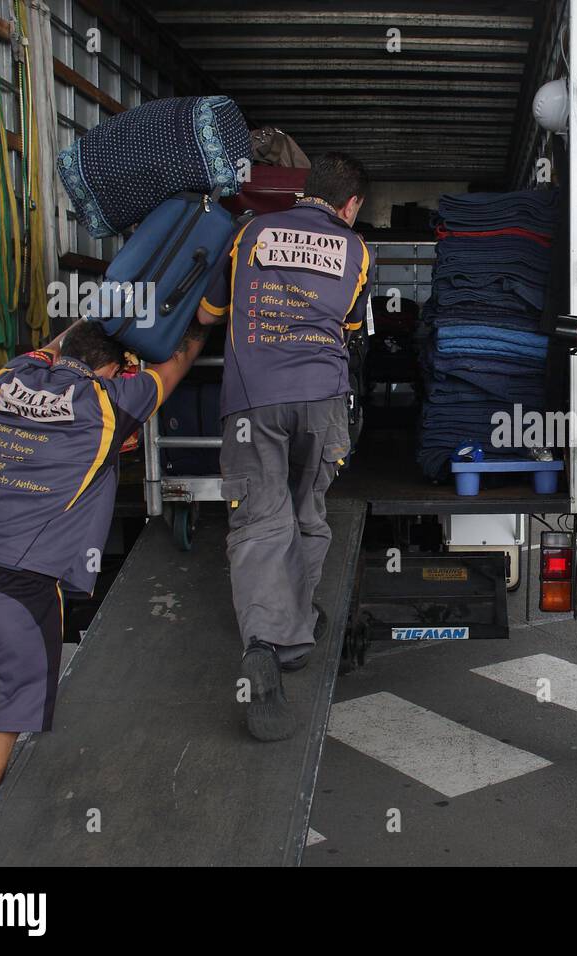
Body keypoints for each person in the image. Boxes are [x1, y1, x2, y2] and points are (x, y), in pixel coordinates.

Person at [0, 317, 213, 866]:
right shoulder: (110, 404)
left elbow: (58, 347)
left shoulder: (11, 379)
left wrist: (100, 312)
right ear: (116, 368)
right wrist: (203, 321)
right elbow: (179, 362)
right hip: (12, 593)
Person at [196, 151, 371, 742]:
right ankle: (293, 632)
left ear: (304, 190)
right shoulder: (357, 250)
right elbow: (351, 329)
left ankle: (266, 643)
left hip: (252, 400)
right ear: (351, 205)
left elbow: (210, 311)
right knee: (307, 513)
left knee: (259, 522)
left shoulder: (250, 233)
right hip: (321, 398)